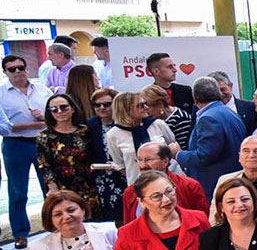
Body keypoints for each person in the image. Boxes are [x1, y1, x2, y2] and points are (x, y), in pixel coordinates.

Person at [1, 54, 53, 250]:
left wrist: (44, 120)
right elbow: (5, 128)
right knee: (17, 191)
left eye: (20, 67)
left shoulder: (42, 90)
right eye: (12, 69)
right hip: (15, 144)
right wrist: (35, 124)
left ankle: (52, 225)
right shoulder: (2, 93)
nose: (18, 72)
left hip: (42, 142)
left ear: (27, 68)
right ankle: (20, 233)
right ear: (5, 72)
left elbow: (56, 115)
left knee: (49, 186)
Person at [174, 77, 247, 199]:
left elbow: (204, 156)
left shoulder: (208, 118)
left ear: (195, 97)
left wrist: (178, 154)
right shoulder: (229, 112)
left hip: (215, 184)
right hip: (232, 179)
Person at [37, 94, 99, 215]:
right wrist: (54, 190)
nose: (59, 111)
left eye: (64, 107)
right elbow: (45, 166)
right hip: (62, 186)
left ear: (73, 108)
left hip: (88, 184)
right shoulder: (44, 137)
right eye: (54, 109)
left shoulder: (85, 131)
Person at [120, 142, 208, 222]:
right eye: (139, 160)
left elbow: (203, 220)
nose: (142, 165)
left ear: (165, 161)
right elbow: (129, 225)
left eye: (148, 160)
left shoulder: (189, 186)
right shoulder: (130, 192)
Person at [105, 92, 177, 185]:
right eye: (141, 105)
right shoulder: (113, 135)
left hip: (169, 181)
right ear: (127, 110)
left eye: (145, 104)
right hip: (139, 185)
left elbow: (173, 147)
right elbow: (121, 165)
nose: (146, 108)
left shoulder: (158, 124)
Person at [86, 87, 126, 223]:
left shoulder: (125, 122)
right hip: (102, 177)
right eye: (97, 105)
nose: (101, 108)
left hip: (124, 174)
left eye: (107, 104)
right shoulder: (90, 125)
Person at [140, 84, 194, 150]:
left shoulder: (181, 120)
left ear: (160, 104)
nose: (145, 111)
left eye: (148, 107)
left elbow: (184, 150)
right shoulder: (153, 119)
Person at [208, 70, 257, 135]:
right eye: (215, 91)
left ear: (230, 86)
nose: (220, 94)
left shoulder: (250, 107)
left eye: (222, 89)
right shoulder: (203, 110)